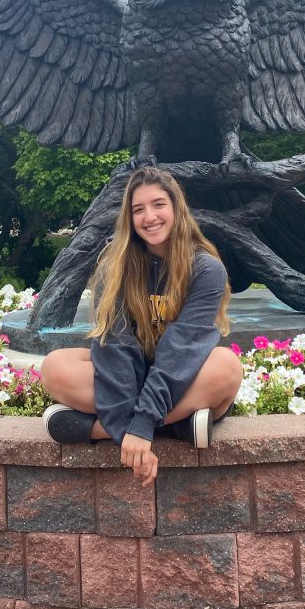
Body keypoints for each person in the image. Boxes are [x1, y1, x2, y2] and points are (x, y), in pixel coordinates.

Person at [40, 166, 244, 486]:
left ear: (176, 207)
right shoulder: (115, 265)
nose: (149, 216)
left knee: (227, 367)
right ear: (129, 218)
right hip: (132, 378)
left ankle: (101, 430)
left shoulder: (205, 268)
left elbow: (182, 348)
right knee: (54, 366)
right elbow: (116, 344)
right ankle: (179, 427)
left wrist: (141, 423)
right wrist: (140, 425)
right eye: (138, 209)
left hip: (181, 375)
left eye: (158, 204)